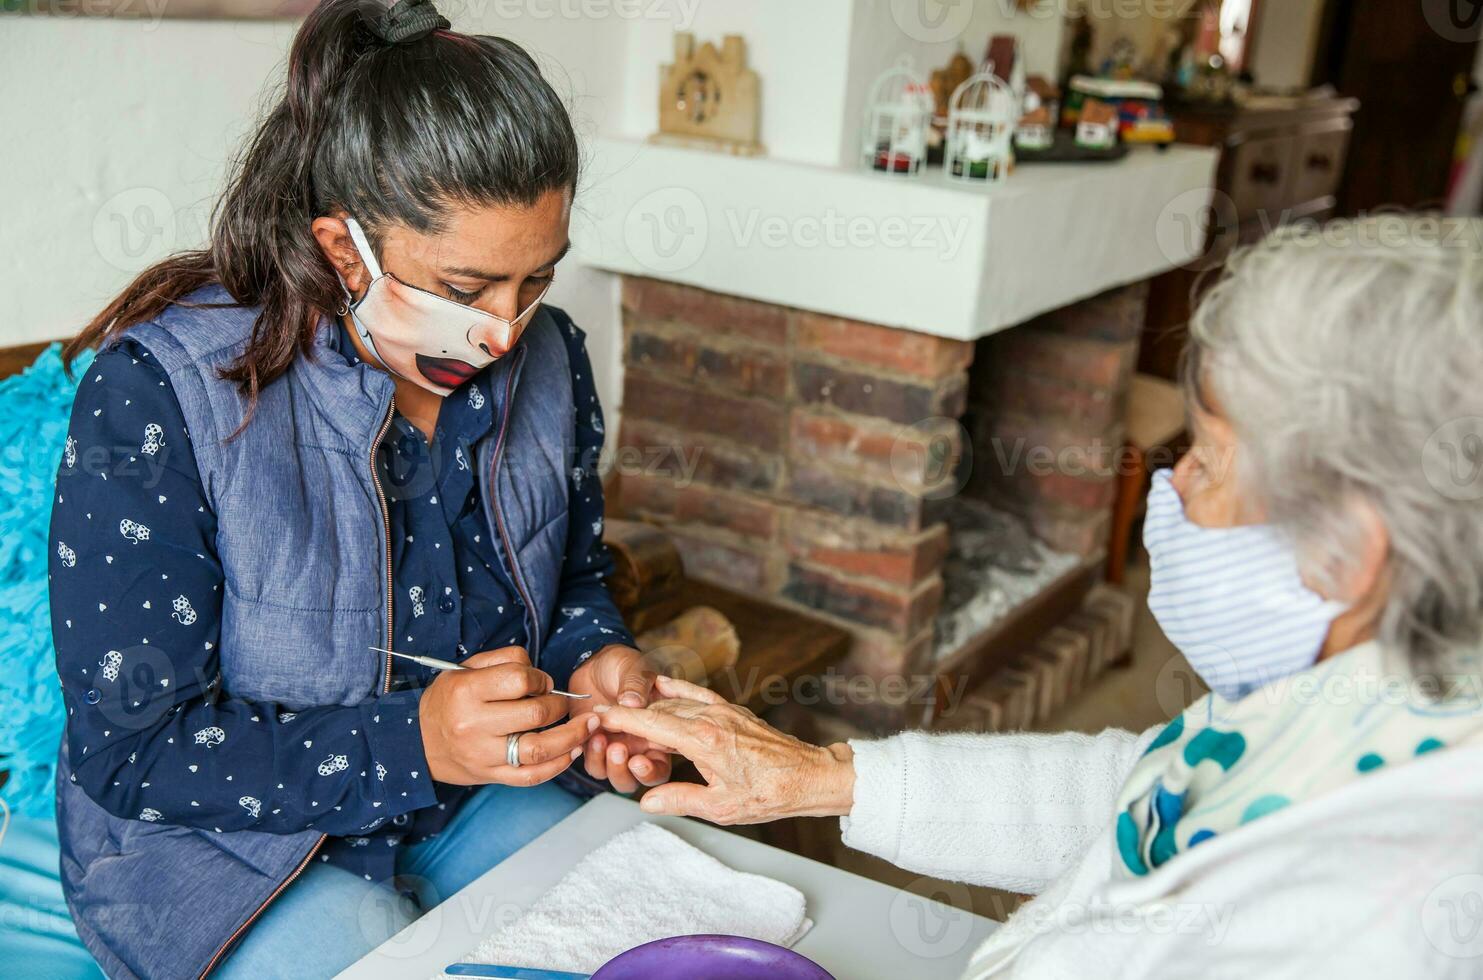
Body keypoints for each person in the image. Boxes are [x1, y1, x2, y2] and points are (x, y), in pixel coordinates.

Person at [594, 221, 1483, 976]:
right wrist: (820, 777)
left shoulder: (1376, 912)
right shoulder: (1365, 705)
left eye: (1207, 457)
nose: (1168, 485)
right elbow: (1137, 789)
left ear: (1351, 549)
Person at [48, 2, 668, 976]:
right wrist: (415, 740)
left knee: (646, 930)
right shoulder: (162, 394)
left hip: (468, 792)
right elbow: (133, 752)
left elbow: (575, 575)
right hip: (224, 846)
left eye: (535, 281)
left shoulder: (549, 362)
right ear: (346, 250)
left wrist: (598, 659)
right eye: (465, 289)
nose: (507, 331)